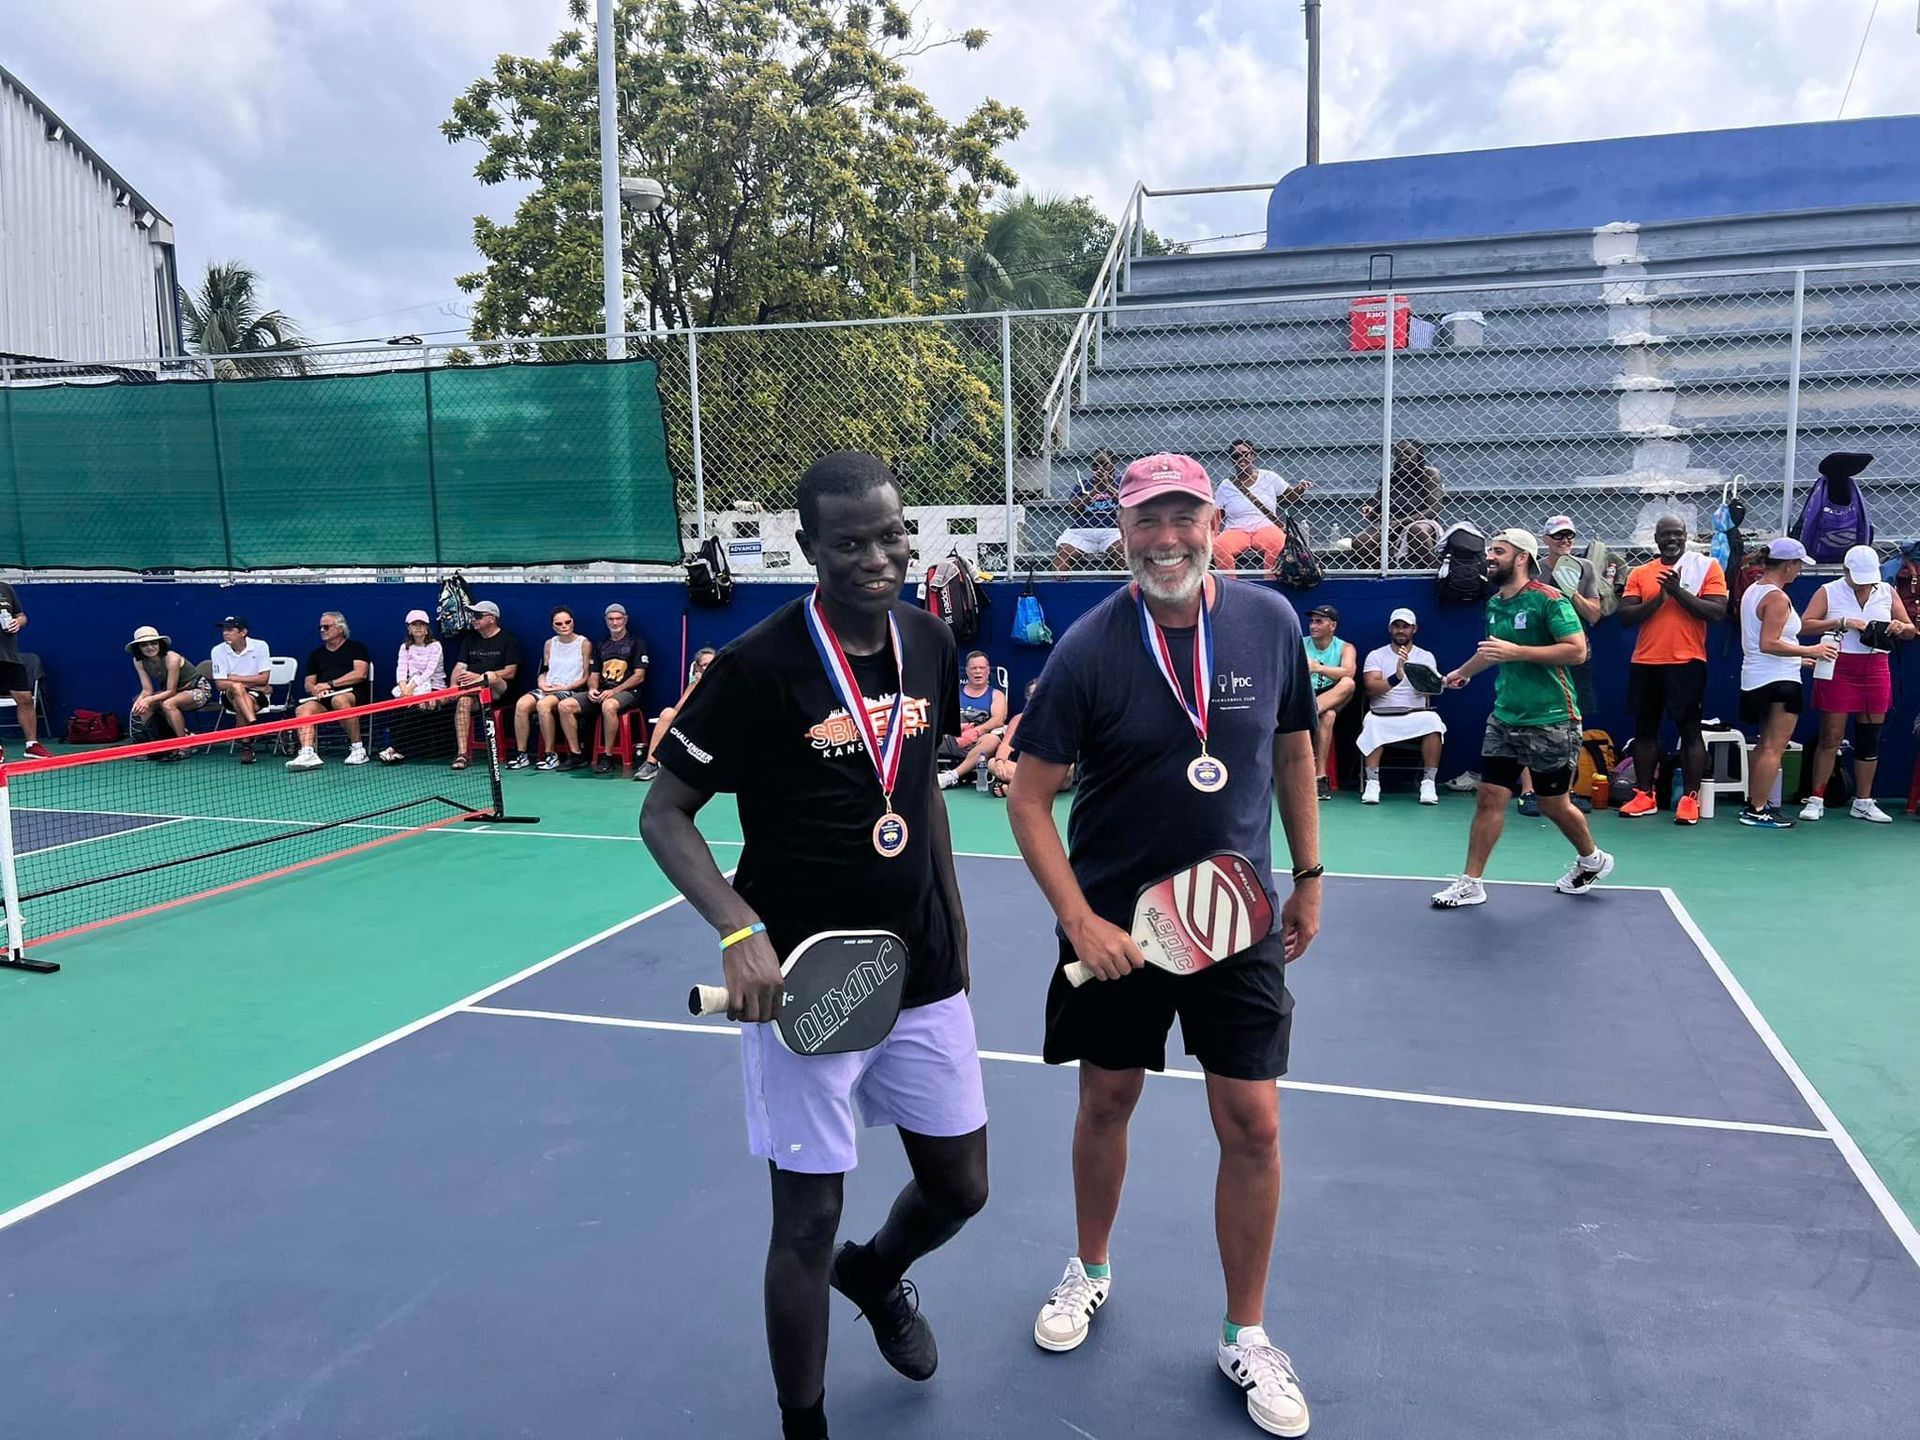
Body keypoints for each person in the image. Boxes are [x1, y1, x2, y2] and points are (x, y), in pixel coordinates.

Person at [639, 451, 987, 1440]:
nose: (879, 557)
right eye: (851, 543)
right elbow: (664, 815)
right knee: (805, 1221)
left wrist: (954, 931)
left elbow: (917, 796)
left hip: (922, 973)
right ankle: (805, 1425)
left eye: (891, 535)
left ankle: (876, 1277)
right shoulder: (756, 668)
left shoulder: (928, 639)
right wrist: (738, 930)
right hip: (804, 983)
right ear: (809, 549)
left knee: (963, 1186)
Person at [1006, 451, 1321, 1439]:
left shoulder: (1268, 624)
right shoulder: (1090, 648)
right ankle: (1090, 1269)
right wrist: (1081, 923)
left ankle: (1247, 1332)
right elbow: (1027, 798)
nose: (1169, 538)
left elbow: (1293, 749)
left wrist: (1308, 875)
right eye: (1149, 521)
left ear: (1214, 526)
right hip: (1119, 932)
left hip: (1235, 919)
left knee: (1254, 1126)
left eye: (1186, 518)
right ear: (1125, 532)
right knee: (1107, 1099)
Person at [1432, 530, 1613, 908]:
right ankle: (1471, 882)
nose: (1490, 557)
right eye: (1490, 551)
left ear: (1521, 557)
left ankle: (1593, 859)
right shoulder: (1496, 604)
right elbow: (1493, 652)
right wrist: (1461, 672)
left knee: (1553, 804)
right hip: (1505, 717)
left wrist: (1518, 651)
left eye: (1499, 551)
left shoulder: (1549, 601)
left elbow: (1577, 651)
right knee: (1490, 797)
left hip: (1552, 719)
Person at [1614, 515, 1728, 825]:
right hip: (1646, 662)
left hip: (1687, 662)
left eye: (1677, 533)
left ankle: (1690, 799)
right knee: (1644, 732)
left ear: (1686, 535)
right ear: (1656, 537)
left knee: (1689, 730)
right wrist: (1660, 598)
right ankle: (1644, 795)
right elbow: (1625, 616)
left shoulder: (1706, 567)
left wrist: (1677, 592)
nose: (1671, 539)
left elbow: (1717, 611)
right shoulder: (1641, 573)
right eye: (1665, 534)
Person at [1797, 544, 1916, 823]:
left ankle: (1863, 801)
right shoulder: (1829, 590)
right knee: (1831, 736)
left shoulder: (1887, 591)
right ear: (1846, 571)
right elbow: (1804, 625)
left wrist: (1901, 628)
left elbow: (1910, 629)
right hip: (1839, 663)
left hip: (1875, 667)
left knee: (1870, 736)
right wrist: (1843, 621)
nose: (1864, 584)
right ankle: (1816, 798)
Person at [1737, 539, 1835, 829]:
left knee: (1765, 744)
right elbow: (1769, 643)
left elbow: (1765, 643)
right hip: (1778, 682)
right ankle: (1757, 809)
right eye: (1799, 565)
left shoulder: (1754, 591)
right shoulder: (1777, 598)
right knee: (1774, 747)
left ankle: (1756, 802)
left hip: (1759, 678)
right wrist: (1811, 651)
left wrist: (1798, 660)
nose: (1800, 570)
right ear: (1788, 565)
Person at [1356, 607, 1446, 805]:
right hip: (1382, 714)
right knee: (1371, 722)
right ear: (1390, 629)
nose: (1400, 630)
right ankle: (1372, 782)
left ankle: (1428, 783)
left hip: (1417, 714)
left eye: (1405, 627)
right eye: (1396, 626)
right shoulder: (1375, 655)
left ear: (1414, 629)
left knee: (1434, 722)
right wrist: (1397, 676)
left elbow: (1429, 692)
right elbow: (1371, 688)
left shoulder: (1425, 657)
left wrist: (1420, 675)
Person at [286, 612, 372, 771]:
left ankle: (358, 749)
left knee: (339, 700)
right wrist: (317, 689)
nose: (322, 630)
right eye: (320, 627)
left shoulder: (357, 648)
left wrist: (330, 684)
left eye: (326, 627)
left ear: (340, 628)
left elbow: (360, 674)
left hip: (352, 694)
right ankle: (307, 752)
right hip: (324, 698)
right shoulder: (315, 654)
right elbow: (308, 683)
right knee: (303, 709)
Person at [510, 607, 593, 771]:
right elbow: (544, 671)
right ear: (553, 626)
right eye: (559, 623)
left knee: (543, 705)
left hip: (571, 689)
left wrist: (565, 686)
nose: (564, 626)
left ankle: (550, 755)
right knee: (521, 704)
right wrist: (542, 684)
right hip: (548, 687)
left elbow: (586, 676)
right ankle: (522, 754)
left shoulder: (584, 643)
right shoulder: (549, 644)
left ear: (573, 622)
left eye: (568, 622)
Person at [1212, 438, 1307, 579]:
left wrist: (1300, 488)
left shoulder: (1269, 477)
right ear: (1232, 460)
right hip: (1236, 529)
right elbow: (1218, 514)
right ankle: (1230, 587)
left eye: (1245, 454)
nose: (1241, 458)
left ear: (1253, 455)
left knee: (1278, 542)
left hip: (1265, 527)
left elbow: (1290, 496)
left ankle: (1270, 586)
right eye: (1236, 456)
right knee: (1220, 546)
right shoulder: (1225, 485)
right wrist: (1211, 535)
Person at [573, 603, 649, 773]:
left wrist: (614, 691)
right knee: (565, 706)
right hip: (603, 691)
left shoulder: (636, 643)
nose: (615, 623)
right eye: (611, 619)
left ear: (625, 619)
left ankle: (608, 756)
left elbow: (639, 676)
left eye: (618, 619)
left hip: (628, 692)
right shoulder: (601, 644)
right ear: (606, 621)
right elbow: (594, 674)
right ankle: (576, 755)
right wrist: (592, 689)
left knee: (608, 706)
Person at [448, 601, 522, 771]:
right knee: (463, 702)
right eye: (473, 616)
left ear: (492, 619)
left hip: (499, 692)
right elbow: (460, 667)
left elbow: (510, 672)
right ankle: (462, 754)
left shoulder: (509, 640)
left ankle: (464, 690)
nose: (474, 619)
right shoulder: (469, 640)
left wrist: (479, 677)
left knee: (491, 675)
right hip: (475, 695)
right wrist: (453, 686)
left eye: (478, 616)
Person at [1351, 439, 1444, 569]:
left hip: (1421, 521)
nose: (1403, 457)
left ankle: (1431, 570)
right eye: (1398, 454)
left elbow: (1433, 509)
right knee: (1361, 541)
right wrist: (1371, 511)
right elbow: (1377, 509)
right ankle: (1386, 572)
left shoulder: (1428, 474)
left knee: (1416, 531)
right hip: (1393, 524)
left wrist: (1401, 522)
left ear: (1418, 455)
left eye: (1408, 453)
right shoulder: (1389, 478)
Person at [126, 626, 210, 755]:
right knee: (142, 704)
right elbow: (147, 690)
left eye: (153, 643)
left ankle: (185, 745)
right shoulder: (139, 661)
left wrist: (147, 699)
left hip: (198, 689)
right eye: (144, 645)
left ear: (160, 644)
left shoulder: (172, 658)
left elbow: (170, 691)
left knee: (168, 704)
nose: (150, 647)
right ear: (139, 648)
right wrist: (138, 703)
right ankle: (146, 746)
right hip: (174, 693)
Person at [379, 609, 448, 765]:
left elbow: (429, 672)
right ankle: (399, 751)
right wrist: (404, 689)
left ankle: (395, 749)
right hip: (410, 688)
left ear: (427, 628)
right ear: (408, 628)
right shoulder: (405, 647)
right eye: (414, 624)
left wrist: (410, 691)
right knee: (397, 708)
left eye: (422, 624)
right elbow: (401, 670)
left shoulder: (435, 646)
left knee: (414, 709)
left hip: (434, 688)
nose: (418, 628)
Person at [635, 647, 714, 782]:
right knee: (668, 713)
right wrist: (695, 684)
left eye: (711, 664)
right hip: (691, 720)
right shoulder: (695, 682)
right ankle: (651, 764)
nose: (708, 668)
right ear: (698, 668)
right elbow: (679, 708)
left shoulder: (723, 679)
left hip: (714, 721)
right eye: (704, 665)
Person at [1302, 603, 1356, 800]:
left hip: (1333, 693)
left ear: (1332, 626)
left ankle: (1308, 714)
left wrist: (1318, 668)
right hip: (1306, 694)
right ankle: (1320, 777)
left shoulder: (1345, 647)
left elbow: (1348, 672)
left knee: (1348, 683)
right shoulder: (1300, 643)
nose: (1313, 625)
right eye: (1311, 621)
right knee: (1329, 716)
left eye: (1319, 621)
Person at [937, 650, 1007, 790]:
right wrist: (958, 729)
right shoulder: (953, 692)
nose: (978, 672)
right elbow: (940, 715)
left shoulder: (996, 695)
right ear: (967, 671)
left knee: (993, 740)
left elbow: (998, 720)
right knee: (924, 734)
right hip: (952, 737)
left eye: (982, 668)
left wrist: (976, 731)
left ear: (988, 671)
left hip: (978, 742)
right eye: (974, 668)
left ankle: (951, 776)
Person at [209, 615, 273, 765]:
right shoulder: (217, 651)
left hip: (255, 697)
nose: (225, 633)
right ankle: (252, 725)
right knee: (236, 689)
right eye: (224, 630)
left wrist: (233, 677)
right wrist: (249, 684)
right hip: (228, 696)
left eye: (230, 630)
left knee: (240, 701)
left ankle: (246, 746)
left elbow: (264, 679)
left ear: (243, 632)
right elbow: (219, 684)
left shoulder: (261, 646)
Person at [0, 578, 48, 760]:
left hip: (9, 656)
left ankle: (31, 745)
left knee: (25, 699)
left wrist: (17, 622)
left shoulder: (5, 588)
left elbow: (22, 616)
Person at [1054, 449, 1124, 571]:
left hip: (1113, 531)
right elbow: (1072, 508)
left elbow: (1128, 504)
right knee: (1063, 552)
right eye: (1095, 465)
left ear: (1113, 465)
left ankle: (1116, 589)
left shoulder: (1121, 482)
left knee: (1121, 551)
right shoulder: (1083, 484)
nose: (1099, 468)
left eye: (1104, 464)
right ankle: (1059, 588)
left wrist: (1107, 487)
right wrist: (1094, 491)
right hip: (1081, 531)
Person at [983, 679, 1040, 798]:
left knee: (1066, 770)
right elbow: (1006, 745)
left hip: (1052, 772)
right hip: (1025, 770)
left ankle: (1015, 789)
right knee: (992, 763)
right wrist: (999, 761)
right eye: (1032, 695)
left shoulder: (1058, 718)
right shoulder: (1018, 719)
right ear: (1027, 698)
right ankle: (1027, 788)